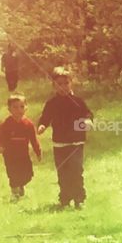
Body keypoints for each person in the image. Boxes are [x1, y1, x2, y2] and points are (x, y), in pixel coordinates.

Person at [36, 66, 93, 209]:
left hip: (76, 142)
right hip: (60, 143)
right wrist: (42, 126)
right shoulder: (52, 103)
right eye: (59, 84)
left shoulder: (78, 101)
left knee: (76, 169)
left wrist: (87, 121)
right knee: (63, 172)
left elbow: (87, 114)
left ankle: (79, 198)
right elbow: (45, 118)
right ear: (54, 85)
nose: (63, 87)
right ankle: (65, 198)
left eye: (66, 83)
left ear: (71, 83)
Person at [0, 94, 41, 201]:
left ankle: (21, 185)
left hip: (23, 155)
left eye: (21, 107)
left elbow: (34, 139)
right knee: (13, 173)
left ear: (26, 108)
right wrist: (0, 146)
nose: (18, 110)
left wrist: (38, 151)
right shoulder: (6, 124)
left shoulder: (28, 124)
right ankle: (15, 192)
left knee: (27, 174)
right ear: (9, 109)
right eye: (15, 107)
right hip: (10, 155)